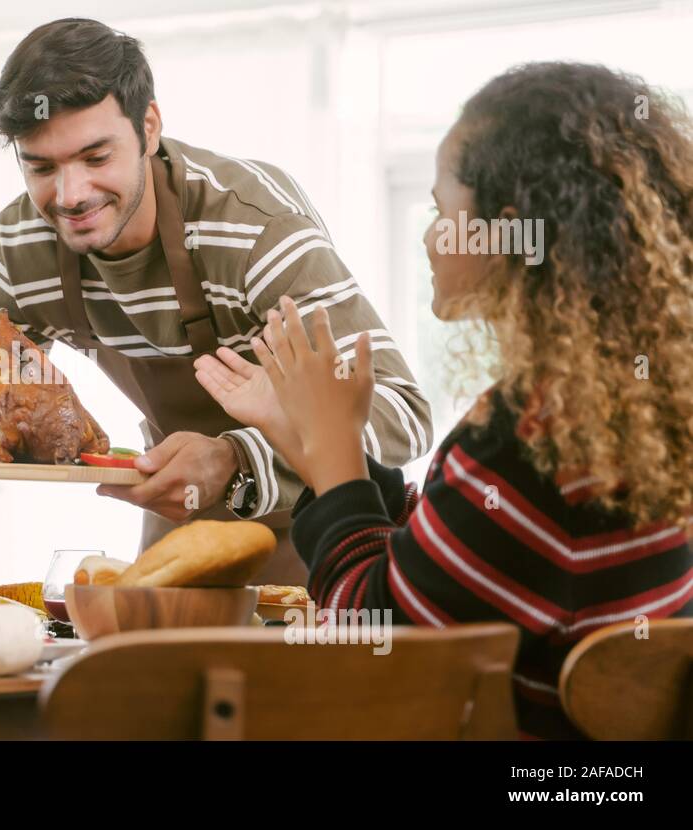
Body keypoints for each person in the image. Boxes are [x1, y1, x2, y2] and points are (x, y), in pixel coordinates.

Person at [0, 18, 431, 583]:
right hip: (180, 519)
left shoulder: (253, 230)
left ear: (149, 128)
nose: (70, 195)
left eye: (95, 156)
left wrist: (237, 460)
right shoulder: (19, 248)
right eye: (41, 168)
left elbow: (403, 413)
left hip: (326, 532)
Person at [196, 61, 693, 738]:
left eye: (441, 210)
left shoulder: (532, 440)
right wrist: (313, 443)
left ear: (502, 232)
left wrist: (337, 453)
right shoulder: (629, 411)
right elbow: (451, 563)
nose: (430, 236)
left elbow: (377, 647)